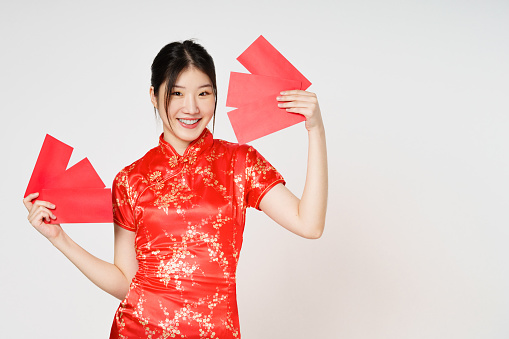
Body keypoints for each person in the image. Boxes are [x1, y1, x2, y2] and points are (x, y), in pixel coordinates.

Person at [23, 40, 328, 338]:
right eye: (177, 93)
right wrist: (59, 239)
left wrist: (315, 129)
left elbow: (309, 224)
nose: (191, 107)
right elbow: (126, 282)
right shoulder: (130, 179)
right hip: (137, 330)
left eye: (204, 93)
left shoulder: (240, 162)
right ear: (154, 96)